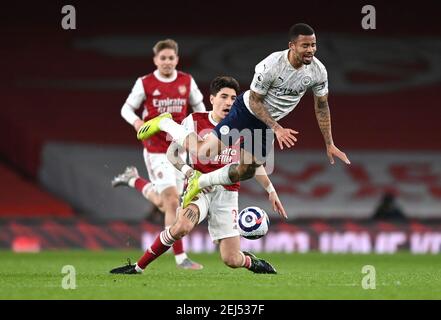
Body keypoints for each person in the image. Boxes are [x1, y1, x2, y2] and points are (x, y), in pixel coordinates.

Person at [136, 23, 351, 208]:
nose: (310, 50)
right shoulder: (271, 65)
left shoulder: (318, 71)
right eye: (305, 45)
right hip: (246, 112)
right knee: (204, 152)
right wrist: (276, 128)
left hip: (267, 124)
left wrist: (329, 143)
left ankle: (199, 182)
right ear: (292, 46)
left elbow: (322, 106)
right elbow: (256, 101)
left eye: (313, 45)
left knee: (247, 170)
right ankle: (165, 122)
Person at [110, 76, 286, 275]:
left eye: (233, 98)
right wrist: (189, 172)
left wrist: (271, 191)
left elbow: (253, 165)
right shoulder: (194, 121)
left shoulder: (242, 126)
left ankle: (252, 262)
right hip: (198, 188)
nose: (228, 102)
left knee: (232, 259)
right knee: (181, 227)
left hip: (227, 194)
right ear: (212, 99)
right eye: (223, 96)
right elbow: (172, 154)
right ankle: (138, 267)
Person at [115, 39, 205, 269]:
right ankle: (180, 258)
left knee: (167, 203)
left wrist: (201, 129)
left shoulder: (186, 81)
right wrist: (136, 122)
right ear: (155, 60)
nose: (167, 62)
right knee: (173, 201)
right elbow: (126, 108)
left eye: (171, 58)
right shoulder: (145, 82)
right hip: (155, 150)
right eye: (162, 58)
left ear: (177, 59)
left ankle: (133, 179)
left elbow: (200, 106)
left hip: (179, 149)